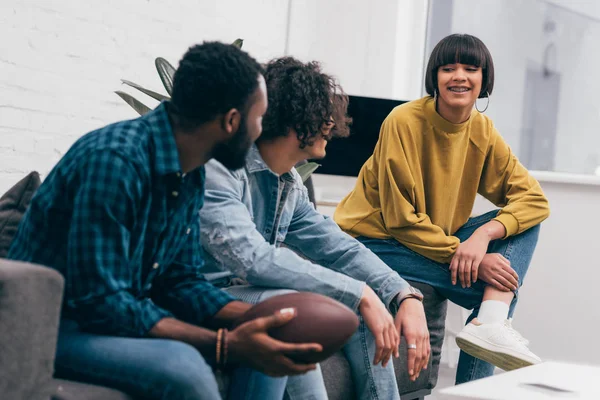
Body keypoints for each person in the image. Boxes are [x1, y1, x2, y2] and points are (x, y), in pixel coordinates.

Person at [7, 42, 323, 400]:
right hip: (50, 327)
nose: (261, 130)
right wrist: (224, 345)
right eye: (260, 119)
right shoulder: (115, 162)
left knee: (268, 340)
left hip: (107, 318)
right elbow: (100, 302)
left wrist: (255, 317)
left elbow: (179, 281)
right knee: (182, 366)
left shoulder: (190, 170)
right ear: (232, 121)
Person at [200, 57, 430, 400]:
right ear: (293, 117)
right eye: (321, 112)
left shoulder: (288, 183)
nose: (332, 122)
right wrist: (360, 292)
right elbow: (254, 260)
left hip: (250, 294)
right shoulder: (221, 169)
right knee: (295, 308)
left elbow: (338, 246)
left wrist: (402, 293)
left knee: (355, 311)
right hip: (205, 298)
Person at [333, 33, 550, 384]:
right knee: (499, 290)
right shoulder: (402, 121)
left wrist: (482, 236)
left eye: (470, 68)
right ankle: (478, 367)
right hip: (378, 241)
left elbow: (534, 199)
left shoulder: (482, 130)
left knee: (521, 225)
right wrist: (470, 259)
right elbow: (400, 220)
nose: (459, 76)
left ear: (484, 79)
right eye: (448, 68)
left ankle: (489, 324)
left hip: (430, 239)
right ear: (434, 77)